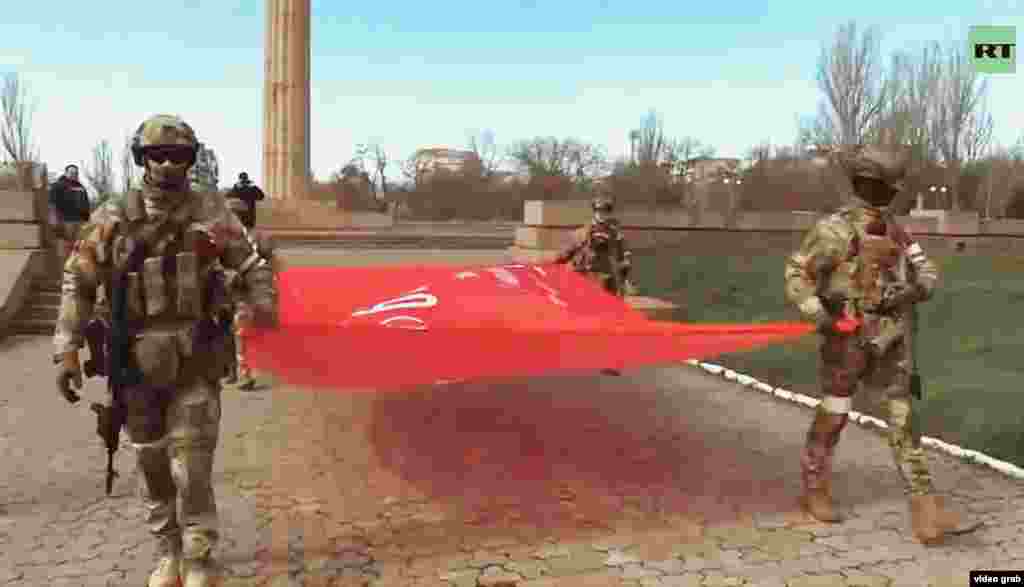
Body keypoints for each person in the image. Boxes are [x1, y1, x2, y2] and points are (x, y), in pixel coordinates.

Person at [53, 114, 278, 586]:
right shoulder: (115, 214)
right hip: (134, 360)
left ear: (191, 160)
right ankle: (167, 551)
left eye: (180, 156)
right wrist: (66, 348)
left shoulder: (212, 211)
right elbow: (79, 278)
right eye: (159, 155)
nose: (170, 164)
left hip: (195, 352)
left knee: (192, 464)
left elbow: (252, 263)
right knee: (151, 461)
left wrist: (263, 307)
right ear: (142, 159)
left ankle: (199, 556)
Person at [783, 143, 979, 545]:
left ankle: (925, 509)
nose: (894, 193)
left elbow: (924, 265)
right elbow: (797, 273)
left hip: (891, 340)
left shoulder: (896, 228)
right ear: (873, 185)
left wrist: (920, 286)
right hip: (847, 342)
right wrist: (820, 315)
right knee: (834, 414)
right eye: (890, 186)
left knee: (904, 421)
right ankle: (814, 488)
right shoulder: (833, 229)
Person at [553, 196, 635, 296]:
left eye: (605, 211)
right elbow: (564, 255)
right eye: (598, 211)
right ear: (594, 211)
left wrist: (624, 279)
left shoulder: (614, 234)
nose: (601, 214)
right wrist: (553, 267)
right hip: (586, 278)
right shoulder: (583, 232)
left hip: (606, 280)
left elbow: (623, 258)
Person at [48, 164, 91, 258]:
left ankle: (74, 267)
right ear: (66, 173)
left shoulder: (81, 187)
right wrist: (54, 220)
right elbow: (51, 204)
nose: (74, 175)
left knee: (79, 246)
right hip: (65, 221)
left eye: (76, 173)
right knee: (66, 246)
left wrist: (87, 220)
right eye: (71, 172)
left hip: (80, 222)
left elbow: (86, 204)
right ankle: (64, 268)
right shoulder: (58, 186)